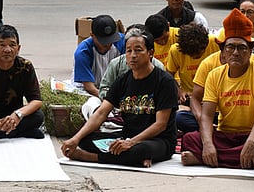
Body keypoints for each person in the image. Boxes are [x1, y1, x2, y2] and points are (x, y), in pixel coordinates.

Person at [61, 28, 179, 167]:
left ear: (150, 53)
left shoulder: (164, 82)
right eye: (129, 51)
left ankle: (91, 157)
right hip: (127, 136)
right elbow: (101, 113)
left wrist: (131, 142)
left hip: (157, 140)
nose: (133, 55)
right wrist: (75, 139)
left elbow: (161, 124)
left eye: (138, 50)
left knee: (140, 150)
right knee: (85, 139)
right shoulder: (123, 80)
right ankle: (133, 159)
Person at [181, 8, 254, 169]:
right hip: (226, 135)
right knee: (189, 139)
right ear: (223, 52)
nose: (235, 53)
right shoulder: (214, 74)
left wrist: (251, 142)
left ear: (250, 51)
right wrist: (207, 144)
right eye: (230, 47)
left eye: (242, 48)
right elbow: (206, 116)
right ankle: (242, 160)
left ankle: (208, 159)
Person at [166, 22, 220, 133]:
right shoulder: (175, 50)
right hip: (192, 103)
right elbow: (168, 76)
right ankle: (212, 128)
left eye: (198, 53)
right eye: (191, 54)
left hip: (216, 103)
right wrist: (180, 91)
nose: (195, 57)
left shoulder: (216, 43)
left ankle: (209, 127)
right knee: (177, 118)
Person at [73, 15, 125, 97]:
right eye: (104, 41)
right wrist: (108, 99)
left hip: (114, 88)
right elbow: (89, 87)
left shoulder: (122, 42)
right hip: (92, 91)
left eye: (110, 40)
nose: (108, 44)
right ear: (92, 35)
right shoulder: (83, 52)